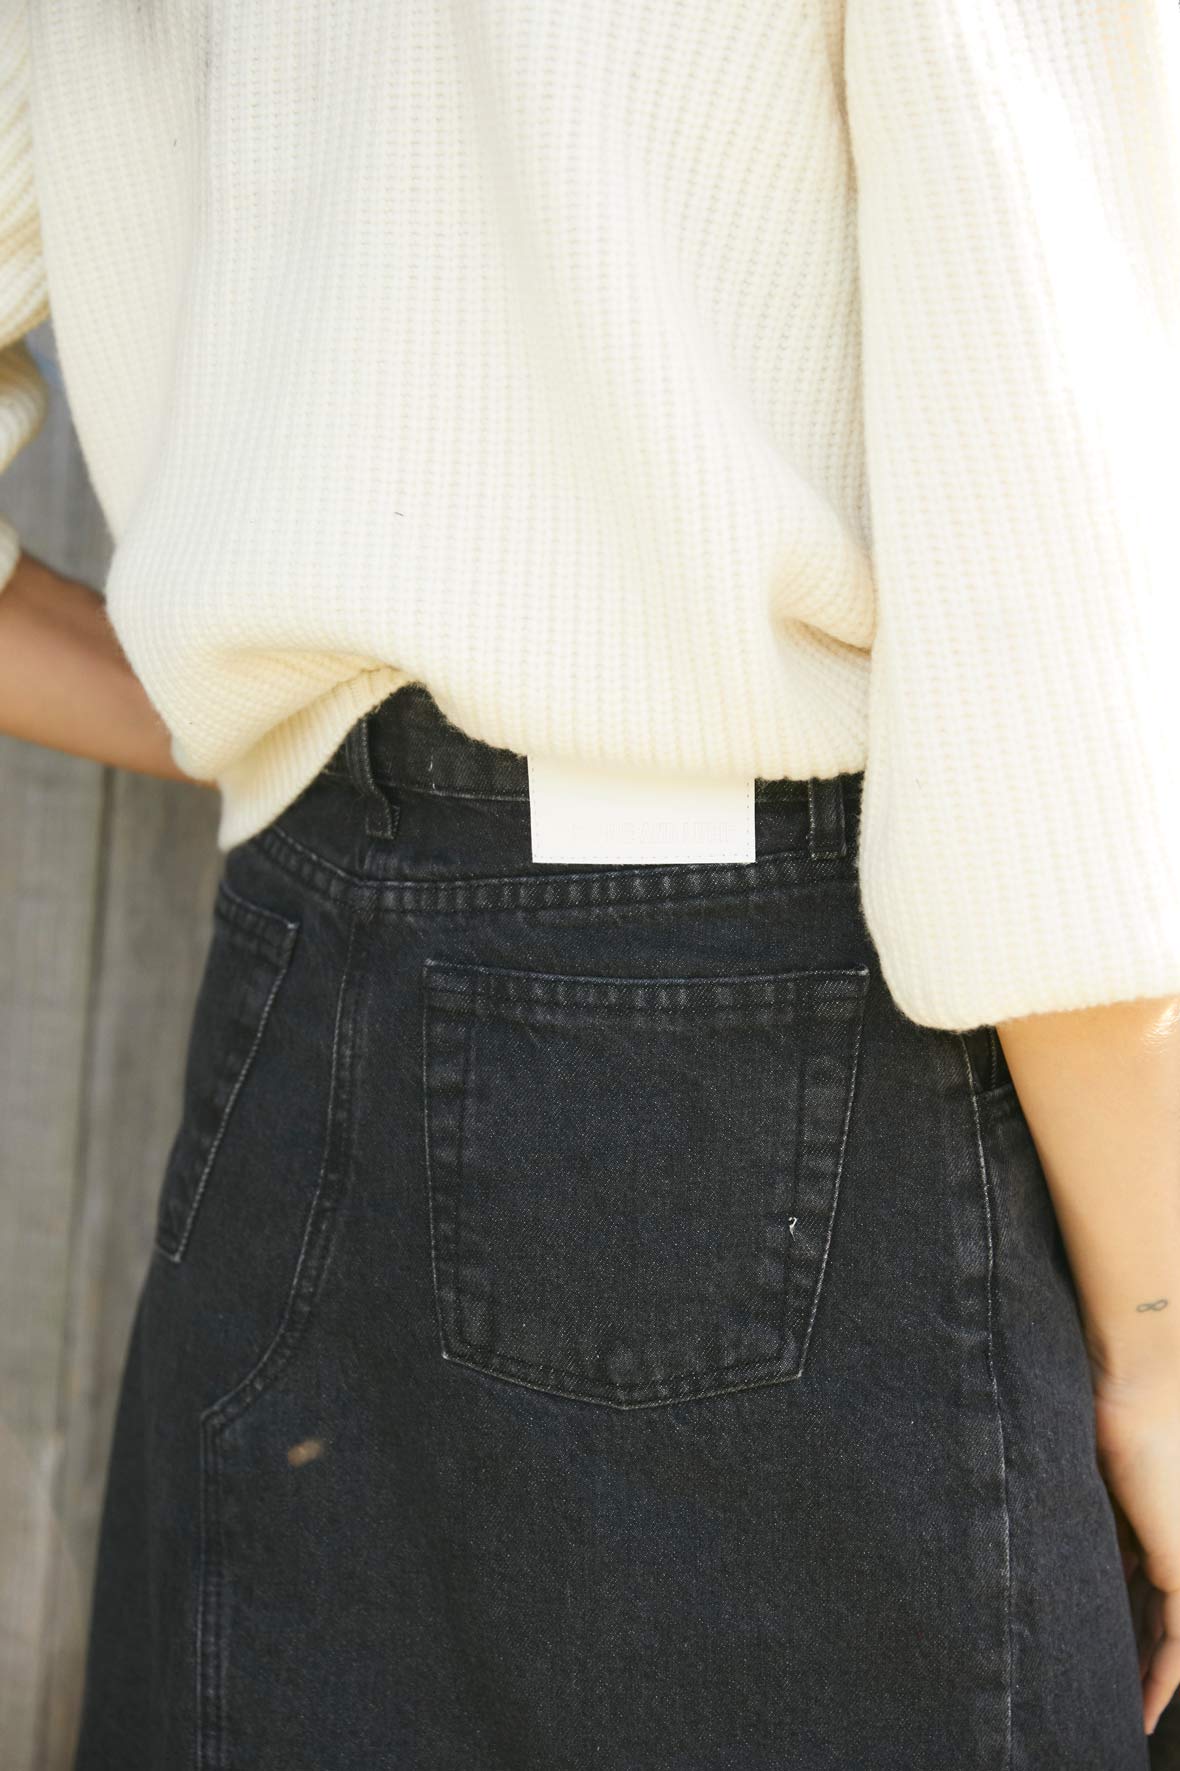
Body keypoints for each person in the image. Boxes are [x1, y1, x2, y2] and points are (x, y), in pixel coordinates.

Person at [2, 2, 1179, 1765]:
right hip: (777, 1047)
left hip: (306, 992)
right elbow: (1046, 642)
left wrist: (300, 708)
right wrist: (1161, 1338)